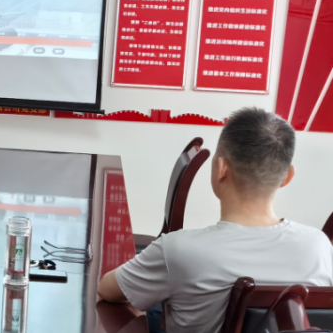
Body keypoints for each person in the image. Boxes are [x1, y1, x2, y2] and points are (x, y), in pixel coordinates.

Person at [98, 107, 333, 333]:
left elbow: (107, 290)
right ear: (287, 177)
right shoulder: (319, 246)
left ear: (221, 168)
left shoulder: (178, 250)